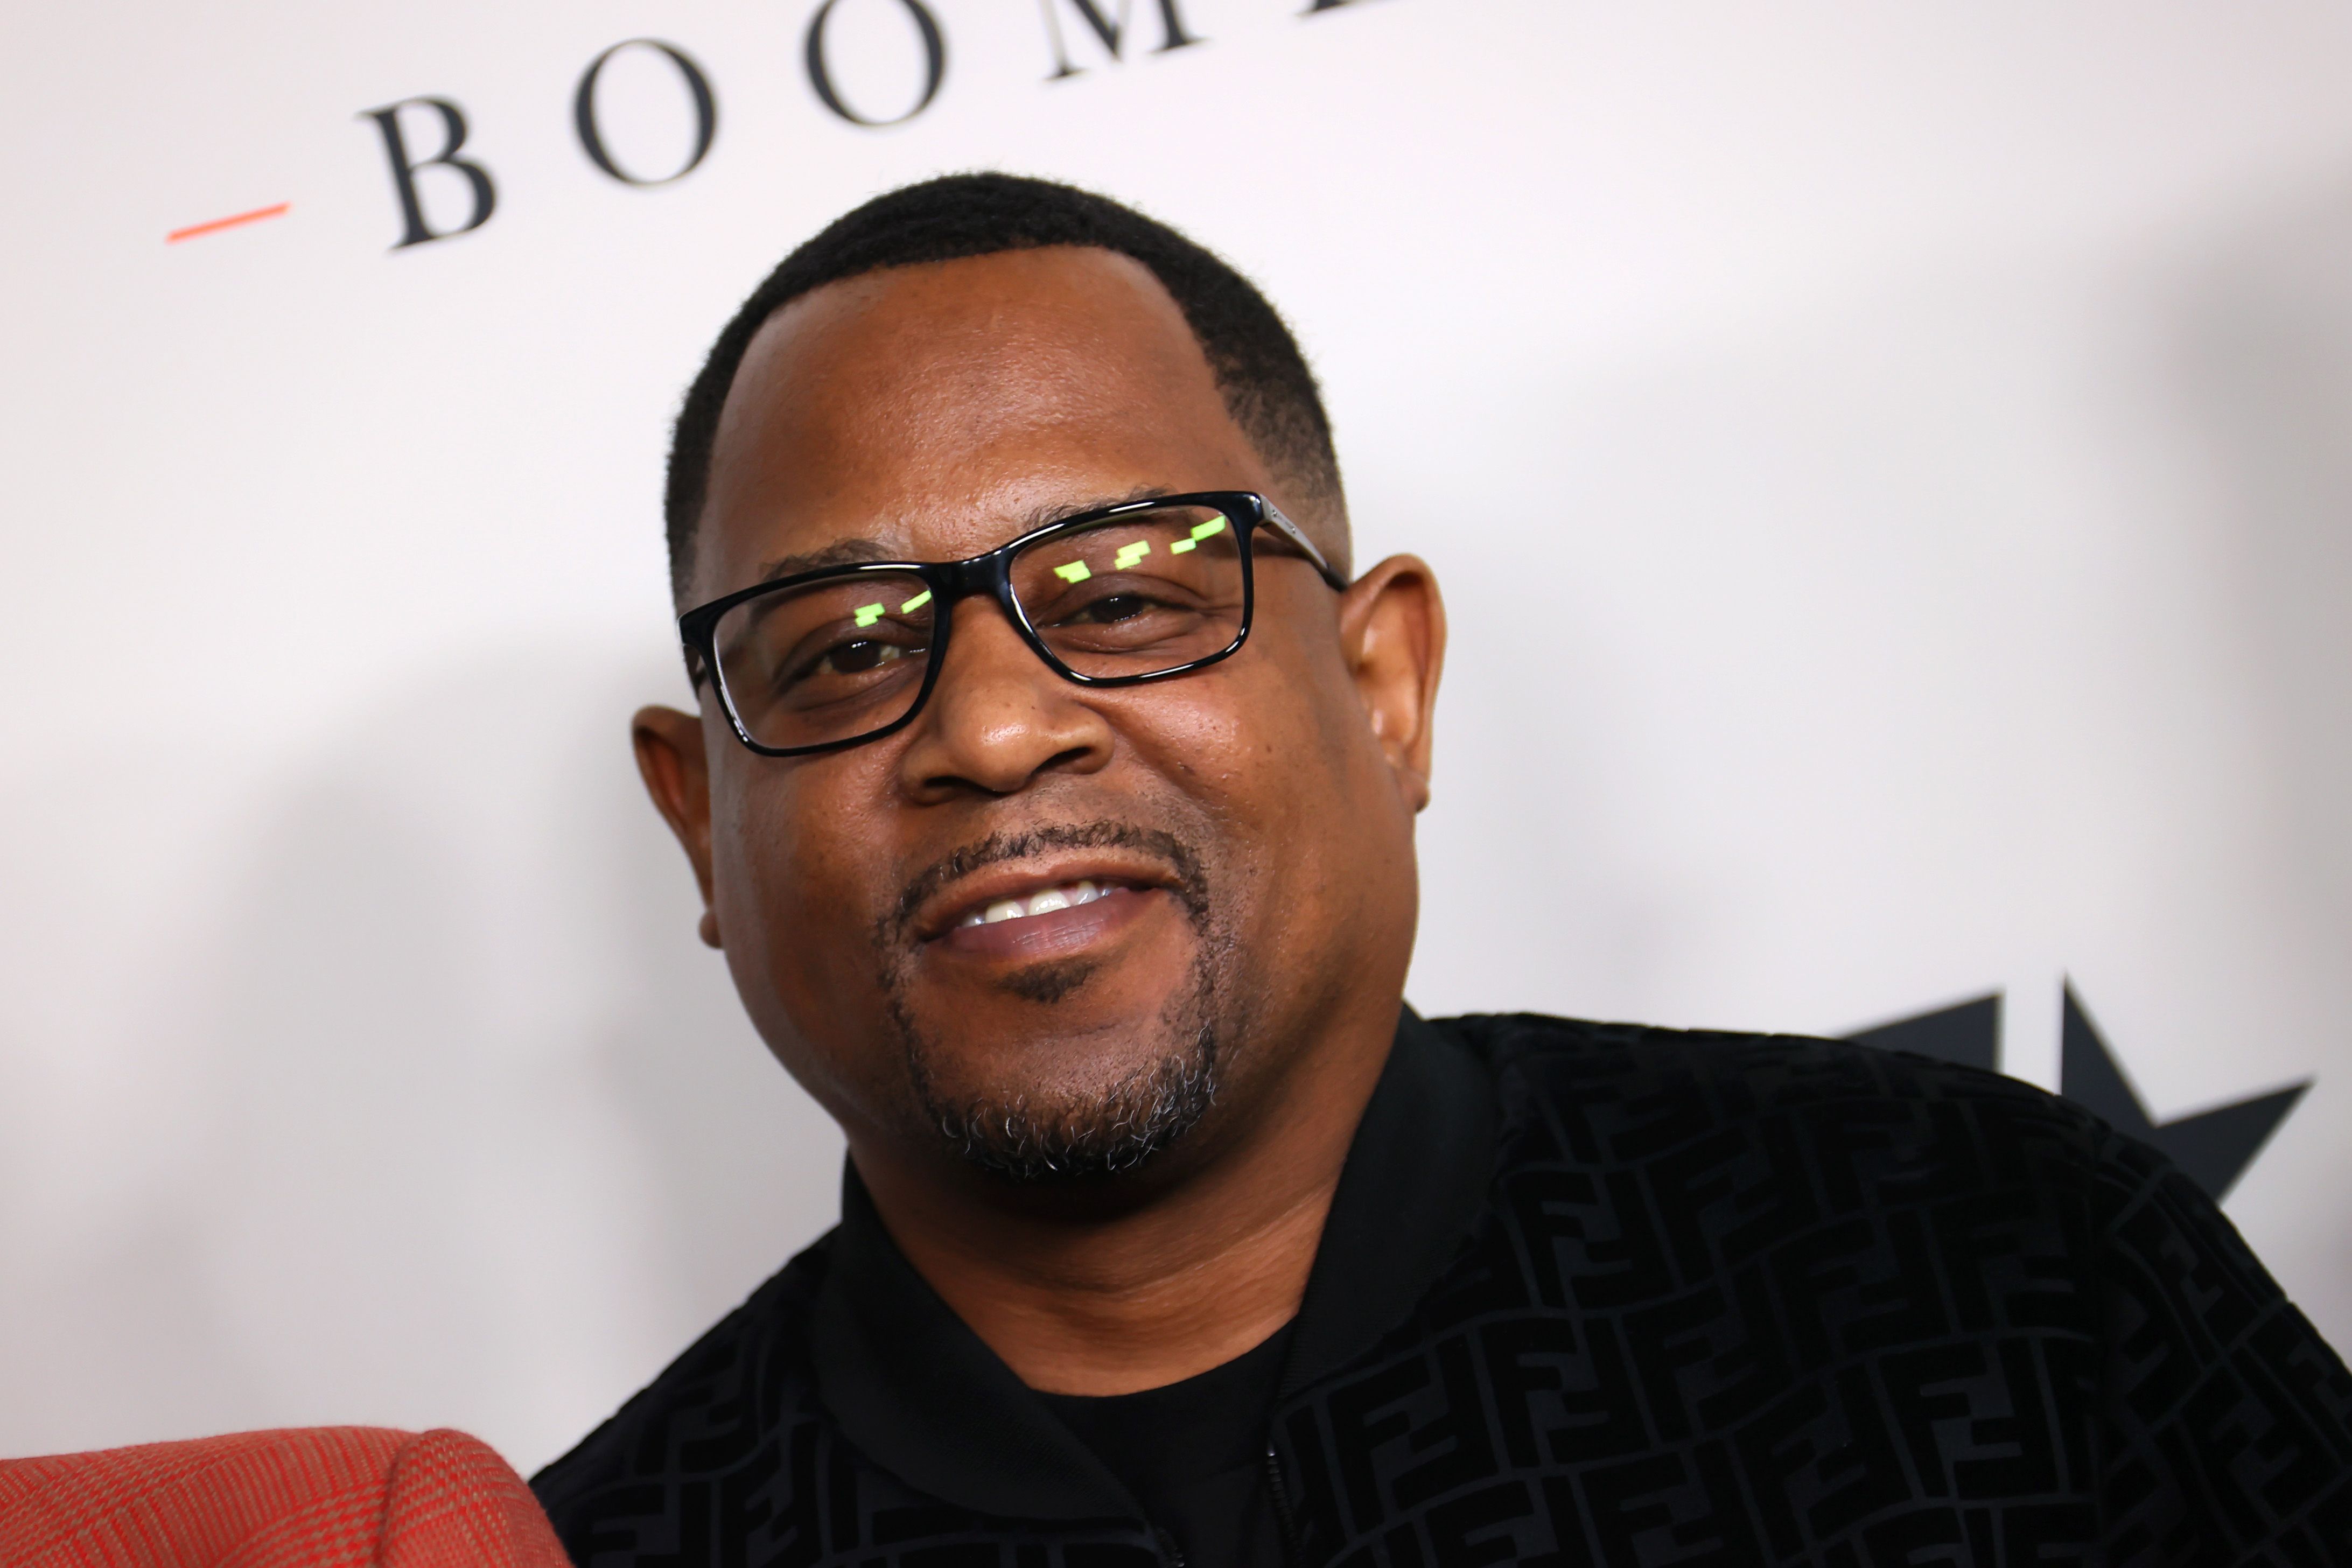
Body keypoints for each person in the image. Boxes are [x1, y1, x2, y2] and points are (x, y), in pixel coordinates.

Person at [531, 173, 2352, 1566]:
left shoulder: (1994, 1266)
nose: (994, 730)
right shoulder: (587, 1558)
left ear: (1384, 686)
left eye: (1129, 594)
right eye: (845, 645)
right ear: (702, 817)